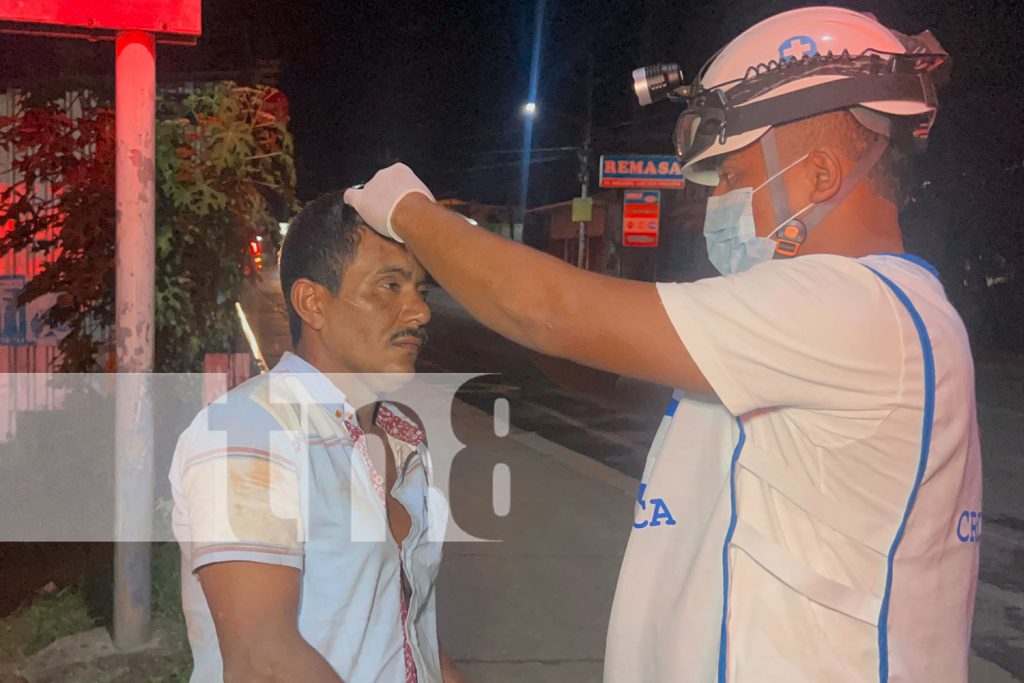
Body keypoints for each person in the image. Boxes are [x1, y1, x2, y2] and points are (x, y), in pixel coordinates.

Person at [344, 7, 980, 682]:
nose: (716, 204)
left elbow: (550, 310)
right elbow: (610, 372)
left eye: (732, 177)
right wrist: (514, 319)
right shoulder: (830, 321)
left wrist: (409, 212)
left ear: (820, 176)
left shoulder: (854, 308)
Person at [169, 191, 465, 682]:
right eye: (390, 286)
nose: (419, 313)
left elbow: (411, 636)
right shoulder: (251, 430)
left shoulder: (406, 439)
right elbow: (263, 661)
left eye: (420, 291)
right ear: (313, 303)